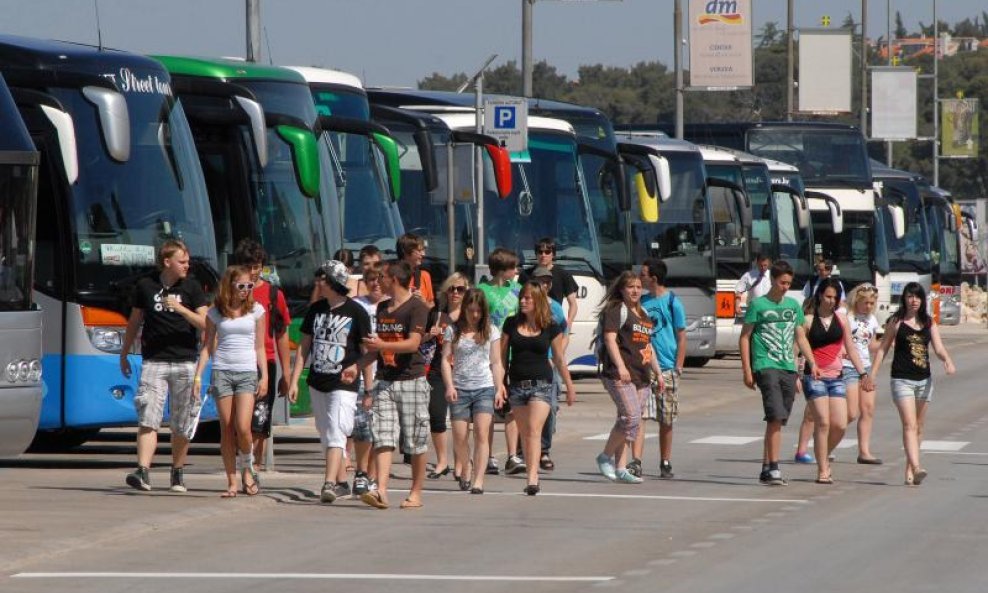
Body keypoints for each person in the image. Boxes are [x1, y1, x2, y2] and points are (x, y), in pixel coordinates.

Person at [120, 239, 208, 493]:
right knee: (148, 416)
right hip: (154, 361)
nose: (186, 266)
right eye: (182, 262)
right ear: (167, 262)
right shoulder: (146, 286)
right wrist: (124, 353)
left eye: (188, 262)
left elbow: (205, 323)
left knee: (182, 421)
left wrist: (180, 309)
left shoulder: (192, 287)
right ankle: (143, 471)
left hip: (185, 362)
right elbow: (134, 322)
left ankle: (177, 472)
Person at [286, 260, 373, 503]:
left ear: (333, 282)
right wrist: (294, 381)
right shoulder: (316, 310)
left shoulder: (356, 312)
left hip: (344, 382)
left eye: (322, 278)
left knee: (337, 432)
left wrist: (368, 387)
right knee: (325, 434)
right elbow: (304, 348)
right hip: (317, 380)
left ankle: (329, 483)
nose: (318, 282)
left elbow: (368, 352)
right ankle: (342, 482)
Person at [359, 260, 432, 510]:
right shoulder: (382, 308)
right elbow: (376, 348)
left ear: (395, 279)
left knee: (415, 441)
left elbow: (413, 344)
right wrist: (355, 366)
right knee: (383, 435)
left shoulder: (417, 308)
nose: (378, 281)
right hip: (384, 380)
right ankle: (380, 490)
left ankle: (416, 492)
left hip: (412, 379)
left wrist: (382, 346)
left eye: (382, 276)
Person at [739, 260, 818, 486]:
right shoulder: (758, 305)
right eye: (782, 282)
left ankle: (766, 467)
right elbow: (745, 337)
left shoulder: (793, 306)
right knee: (774, 416)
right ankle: (774, 468)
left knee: (779, 419)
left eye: (788, 283)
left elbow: (801, 336)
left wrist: (812, 363)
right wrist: (747, 369)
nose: (785, 286)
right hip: (766, 364)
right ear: (773, 280)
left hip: (788, 367)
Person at [869, 282, 955, 486]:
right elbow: (883, 349)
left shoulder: (928, 322)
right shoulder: (896, 322)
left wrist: (947, 360)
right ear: (904, 299)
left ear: (922, 300)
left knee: (918, 427)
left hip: (924, 380)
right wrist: (872, 375)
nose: (914, 300)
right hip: (902, 379)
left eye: (917, 296)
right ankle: (917, 467)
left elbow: (939, 348)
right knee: (909, 424)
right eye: (910, 296)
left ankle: (910, 466)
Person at [194, 265, 268, 497]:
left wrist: (264, 375)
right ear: (229, 286)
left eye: (249, 285)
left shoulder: (256, 310)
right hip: (222, 371)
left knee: (243, 427)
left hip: (246, 371)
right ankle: (232, 481)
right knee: (226, 428)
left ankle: (248, 469)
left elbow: (260, 346)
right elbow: (207, 346)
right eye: (241, 286)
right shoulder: (215, 312)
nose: (246, 290)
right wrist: (198, 375)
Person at [501, 280, 576, 495]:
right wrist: (500, 384)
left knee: (534, 431)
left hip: (542, 385)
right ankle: (531, 472)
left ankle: (532, 478)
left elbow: (560, 359)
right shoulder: (511, 324)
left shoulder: (550, 326)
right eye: (521, 297)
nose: (523, 301)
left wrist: (569, 385)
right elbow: (501, 357)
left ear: (537, 301)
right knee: (525, 433)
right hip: (516, 385)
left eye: (528, 298)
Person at [797, 278, 871, 484]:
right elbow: (798, 348)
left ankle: (823, 453)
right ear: (820, 295)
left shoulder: (842, 319)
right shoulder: (809, 320)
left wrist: (863, 373)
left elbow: (851, 347)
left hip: (837, 376)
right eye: (828, 296)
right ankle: (823, 470)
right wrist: (797, 373)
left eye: (835, 297)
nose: (832, 301)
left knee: (839, 424)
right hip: (815, 376)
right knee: (823, 422)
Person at [594, 271, 659, 484]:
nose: (635, 291)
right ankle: (605, 457)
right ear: (621, 289)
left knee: (628, 420)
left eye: (639, 287)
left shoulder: (644, 314)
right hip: (620, 374)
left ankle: (621, 468)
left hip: (642, 375)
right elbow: (610, 339)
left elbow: (648, 346)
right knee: (631, 417)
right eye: (630, 287)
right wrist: (621, 367)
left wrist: (657, 372)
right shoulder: (616, 310)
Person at [233, 239, 291, 472]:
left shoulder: (273, 293)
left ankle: (254, 466)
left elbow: (282, 334)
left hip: (263, 361)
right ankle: (241, 463)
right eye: (248, 267)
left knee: (260, 419)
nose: (253, 272)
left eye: (257, 266)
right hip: (235, 361)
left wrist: (286, 373)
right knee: (238, 421)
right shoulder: (230, 292)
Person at [441, 288, 506, 494]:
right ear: (465, 309)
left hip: (484, 388)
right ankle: (465, 467)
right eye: (471, 310)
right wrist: (449, 385)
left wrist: (499, 387)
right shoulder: (454, 330)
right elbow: (445, 359)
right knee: (460, 437)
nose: (475, 315)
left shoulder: (491, 330)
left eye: (478, 311)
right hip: (460, 388)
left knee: (481, 434)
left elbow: (496, 362)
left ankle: (478, 479)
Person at [635, 258, 687, 479]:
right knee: (640, 415)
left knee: (666, 418)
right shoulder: (642, 302)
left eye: (643, 274)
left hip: (666, 367)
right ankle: (636, 461)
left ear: (653, 278)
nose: (640, 277)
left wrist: (678, 366)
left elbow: (681, 335)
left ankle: (665, 460)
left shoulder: (673, 302)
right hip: (644, 368)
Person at [477, 247, 523, 476]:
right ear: (501, 269)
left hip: (514, 352)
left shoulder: (518, 290)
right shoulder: (482, 290)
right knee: (490, 408)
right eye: (513, 267)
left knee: (512, 406)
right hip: (490, 353)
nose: (516, 271)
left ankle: (513, 455)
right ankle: (490, 456)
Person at [424, 273, 469, 481]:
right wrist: (429, 335)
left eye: (460, 289)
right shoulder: (436, 314)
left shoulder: (470, 315)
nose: (456, 293)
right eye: (452, 289)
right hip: (437, 370)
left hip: (462, 372)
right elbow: (419, 340)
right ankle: (442, 461)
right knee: (436, 415)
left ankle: (460, 463)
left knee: (460, 420)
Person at [351, 265, 388, 495]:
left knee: (380, 430)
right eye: (371, 280)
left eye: (379, 279)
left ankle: (373, 476)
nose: (375, 284)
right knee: (362, 427)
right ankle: (361, 471)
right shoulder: (357, 305)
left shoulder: (392, 305)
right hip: (362, 370)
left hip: (384, 373)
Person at [530, 265, 569, 472]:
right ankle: (524, 451)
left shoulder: (555, 307)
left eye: (547, 282)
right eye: (539, 281)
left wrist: (556, 356)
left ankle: (544, 451)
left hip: (549, 365)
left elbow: (564, 332)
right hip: (528, 364)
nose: (544, 285)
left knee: (550, 407)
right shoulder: (525, 304)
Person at [843, 283, 883, 464]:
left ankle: (864, 451)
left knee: (867, 409)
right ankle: (828, 438)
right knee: (851, 412)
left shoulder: (872, 319)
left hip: (866, 367)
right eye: (865, 303)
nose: (869, 306)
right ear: (857, 300)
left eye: (872, 303)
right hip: (847, 366)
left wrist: (889, 342)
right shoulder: (847, 317)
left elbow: (871, 345)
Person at [523, 237, 578, 331]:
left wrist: (568, 323)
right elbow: (519, 299)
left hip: (554, 323)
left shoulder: (563, 275)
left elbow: (573, 303)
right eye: (540, 252)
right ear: (536, 254)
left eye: (547, 252)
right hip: (530, 324)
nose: (543, 255)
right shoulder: (525, 274)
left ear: (553, 254)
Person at [397, 232, 434, 307]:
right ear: (406, 252)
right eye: (419, 251)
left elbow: (431, 304)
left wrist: (423, 301)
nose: (423, 254)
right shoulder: (391, 276)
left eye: (423, 250)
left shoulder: (424, 276)